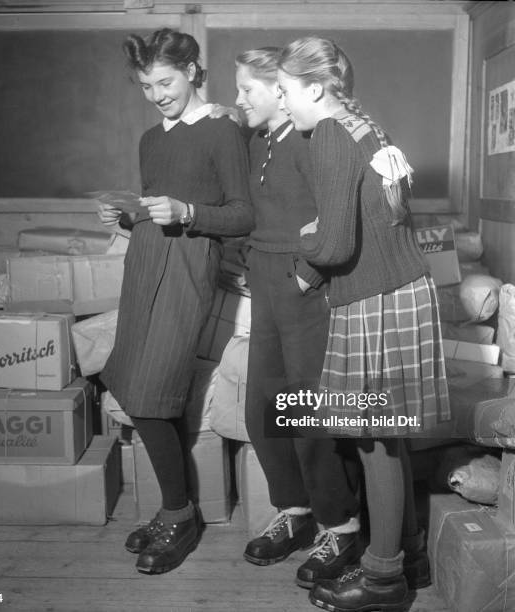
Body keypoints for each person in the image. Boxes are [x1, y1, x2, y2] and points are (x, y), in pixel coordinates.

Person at [277, 37, 450, 611]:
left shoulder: (326, 133)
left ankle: (381, 582)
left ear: (316, 88)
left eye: (285, 91)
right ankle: (409, 555)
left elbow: (334, 242)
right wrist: (321, 234)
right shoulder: (364, 126)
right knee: (389, 434)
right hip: (404, 291)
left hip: (374, 298)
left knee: (373, 440)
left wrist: (301, 260)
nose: (282, 103)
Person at [98, 28, 253, 575]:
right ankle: (176, 510)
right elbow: (153, 204)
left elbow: (242, 214)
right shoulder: (150, 139)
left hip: (189, 268)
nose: (157, 93)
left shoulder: (220, 131)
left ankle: (180, 515)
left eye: (165, 81)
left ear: (192, 70)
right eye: (145, 85)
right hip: (144, 263)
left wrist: (189, 212)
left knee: (154, 392)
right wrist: (125, 214)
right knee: (128, 381)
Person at [232, 47, 362, 585]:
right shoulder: (260, 138)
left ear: (282, 93)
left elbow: (340, 217)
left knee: (308, 417)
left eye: (248, 90)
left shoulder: (314, 142)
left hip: (304, 288)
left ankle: (342, 525)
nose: (239, 101)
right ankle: (296, 512)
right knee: (262, 411)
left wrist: (308, 274)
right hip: (266, 283)